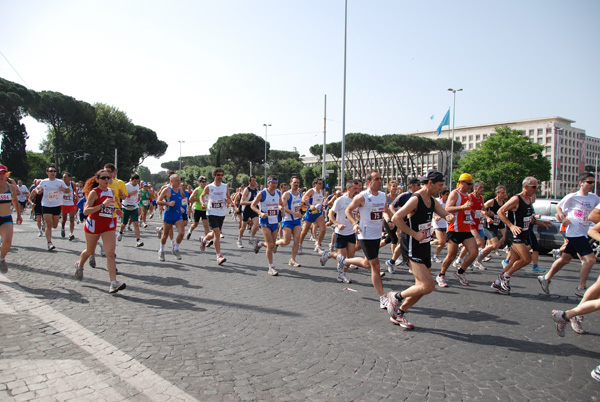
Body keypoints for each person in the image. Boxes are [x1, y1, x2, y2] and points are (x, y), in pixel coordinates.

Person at [387, 170, 454, 329]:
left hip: (424, 245)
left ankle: (399, 312)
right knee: (428, 285)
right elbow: (396, 218)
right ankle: (395, 297)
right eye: (439, 185)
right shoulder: (416, 199)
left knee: (421, 288)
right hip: (412, 246)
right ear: (430, 183)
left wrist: (449, 217)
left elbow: (444, 213)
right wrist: (414, 234)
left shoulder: (431, 199)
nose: (440, 189)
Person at [337, 170, 393, 309]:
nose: (380, 181)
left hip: (376, 235)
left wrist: (389, 221)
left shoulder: (382, 196)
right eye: (377, 179)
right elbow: (348, 211)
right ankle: (382, 297)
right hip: (365, 235)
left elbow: (384, 211)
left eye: (381, 178)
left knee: (368, 263)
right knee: (375, 265)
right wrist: (355, 224)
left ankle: (344, 260)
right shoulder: (362, 197)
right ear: (369, 182)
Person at [538, 172, 600, 297]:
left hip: (584, 231)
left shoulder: (594, 198)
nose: (592, 185)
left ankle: (545, 278)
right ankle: (581, 287)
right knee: (590, 259)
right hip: (574, 232)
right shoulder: (572, 196)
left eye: (593, 182)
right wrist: (562, 218)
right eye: (589, 182)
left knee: (565, 259)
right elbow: (558, 208)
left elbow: (596, 213)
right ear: (581, 183)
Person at [491, 176, 550, 294]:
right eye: (534, 187)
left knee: (514, 259)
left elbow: (527, 218)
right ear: (526, 186)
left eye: (537, 187)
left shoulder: (529, 200)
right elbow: (500, 212)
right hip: (514, 235)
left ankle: (498, 282)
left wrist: (539, 222)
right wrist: (511, 226)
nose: (536, 189)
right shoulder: (516, 199)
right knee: (527, 258)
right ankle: (506, 277)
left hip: (523, 234)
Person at [75, 169, 125, 293]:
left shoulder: (112, 192)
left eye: (108, 178)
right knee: (90, 250)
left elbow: (110, 207)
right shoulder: (94, 193)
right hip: (94, 225)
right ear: (97, 179)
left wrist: (116, 211)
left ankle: (113, 283)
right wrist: (102, 205)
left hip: (108, 224)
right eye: (103, 178)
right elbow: (86, 211)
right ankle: (80, 265)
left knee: (110, 253)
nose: (106, 180)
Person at [436, 173, 479, 287]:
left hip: (465, 229)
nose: (470, 186)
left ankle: (460, 272)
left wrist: (471, 211)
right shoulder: (455, 193)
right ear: (461, 182)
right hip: (454, 229)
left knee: (474, 252)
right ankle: (441, 275)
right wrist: (462, 207)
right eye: (468, 183)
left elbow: (468, 209)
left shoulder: (469, 196)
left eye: (471, 184)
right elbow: (447, 208)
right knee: (451, 256)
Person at [319, 179, 362, 284]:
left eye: (359, 188)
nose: (357, 191)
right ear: (348, 188)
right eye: (355, 189)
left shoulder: (358, 200)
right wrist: (337, 224)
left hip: (351, 232)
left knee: (350, 257)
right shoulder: (340, 200)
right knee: (341, 257)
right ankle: (341, 274)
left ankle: (329, 255)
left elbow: (357, 215)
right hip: (340, 233)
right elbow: (330, 214)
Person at [385, 178, 421, 273]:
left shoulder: (419, 196)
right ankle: (401, 262)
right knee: (400, 242)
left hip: (415, 224)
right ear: (412, 185)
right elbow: (391, 206)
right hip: (404, 223)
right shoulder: (404, 195)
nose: (420, 187)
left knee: (406, 244)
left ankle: (394, 262)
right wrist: (397, 216)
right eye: (418, 185)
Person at [34, 165, 71, 250]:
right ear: (47, 172)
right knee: (49, 224)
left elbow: (68, 190)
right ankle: (49, 242)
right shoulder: (44, 182)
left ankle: (46, 227)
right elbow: (37, 188)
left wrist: (63, 190)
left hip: (57, 205)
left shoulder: (60, 182)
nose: (53, 173)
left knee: (54, 225)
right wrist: (38, 191)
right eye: (51, 171)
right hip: (46, 205)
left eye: (54, 171)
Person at [251, 175, 282, 276]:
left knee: (272, 245)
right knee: (270, 245)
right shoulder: (262, 193)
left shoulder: (278, 192)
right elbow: (252, 205)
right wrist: (260, 213)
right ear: (268, 183)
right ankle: (271, 267)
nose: (274, 185)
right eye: (272, 183)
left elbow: (281, 204)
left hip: (275, 221)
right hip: (265, 222)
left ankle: (259, 244)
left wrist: (282, 209)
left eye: (276, 183)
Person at [453, 180, 487, 270]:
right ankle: (470, 261)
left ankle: (459, 260)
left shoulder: (481, 198)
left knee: (480, 242)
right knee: (478, 242)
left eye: (483, 187)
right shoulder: (470, 196)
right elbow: (465, 208)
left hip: (478, 222)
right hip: (470, 222)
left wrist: (487, 214)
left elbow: (483, 209)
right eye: (480, 187)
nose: (482, 189)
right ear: (475, 188)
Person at [199, 167, 231, 265]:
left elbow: (229, 197)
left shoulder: (225, 186)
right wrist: (202, 203)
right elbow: (202, 196)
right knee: (217, 233)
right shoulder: (209, 187)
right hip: (211, 212)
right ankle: (219, 256)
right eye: (218, 175)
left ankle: (204, 239)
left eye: (221, 175)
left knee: (214, 233)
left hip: (221, 212)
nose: (220, 177)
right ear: (214, 175)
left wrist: (228, 201)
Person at [276, 176, 304, 267]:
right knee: (286, 241)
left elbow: (299, 206)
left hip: (296, 221)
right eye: (295, 182)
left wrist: (300, 211)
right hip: (288, 220)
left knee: (297, 239)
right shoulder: (287, 194)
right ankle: (275, 243)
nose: (296, 184)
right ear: (291, 183)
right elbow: (283, 207)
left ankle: (292, 259)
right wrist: (293, 213)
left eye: (298, 182)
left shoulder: (300, 194)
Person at [157, 174, 186, 261]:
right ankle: (161, 251)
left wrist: (180, 207)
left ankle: (175, 248)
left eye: (179, 180)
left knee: (181, 232)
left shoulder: (180, 189)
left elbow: (180, 200)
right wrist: (167, 204)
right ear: (171, 181)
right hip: (169, 214)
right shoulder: (167, 190)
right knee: (165, 235)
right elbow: (158, 201)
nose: (179, 182)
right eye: (177, 181)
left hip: (177, 214)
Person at [0, 165, 23, 273]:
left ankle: (1, 258)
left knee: (7, 241)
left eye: (3, 173)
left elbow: (15, 201)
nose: (1, 175)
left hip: (6, 218)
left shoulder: (11, 187)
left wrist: (19, 215)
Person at [299, 177, 327, 254]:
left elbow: (319, 201)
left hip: (318, 212)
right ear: (315, 184)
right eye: (320, 183)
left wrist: (322, 205)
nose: (321, 185)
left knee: (323, 228)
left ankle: (318, 246)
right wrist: (310, 205)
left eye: (322, 183)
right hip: (311, 212)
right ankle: (299, 244)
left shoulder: (321, 191)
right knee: (305, 231)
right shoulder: (311, 191)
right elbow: (303, 199)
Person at [117, 173, 144, 247]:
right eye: (134, 181)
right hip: (126, 206)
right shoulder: (126, 186)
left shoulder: (138, 186)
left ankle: (138, 240)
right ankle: (120, 232)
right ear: (131, 180)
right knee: (124, 223)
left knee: (136, 223)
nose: (136, 183)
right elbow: (123, 196)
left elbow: (136, 195)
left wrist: (138, 198)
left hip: (134, 206)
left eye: (137, 181)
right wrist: (131, 193)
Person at [237, 176, 260, 248]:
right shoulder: (247, 190)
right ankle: (239, 239)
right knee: (243, 227)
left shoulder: (256, 190)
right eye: (252, 181)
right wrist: (251, 202)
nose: (254, 182)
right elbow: (241, 202)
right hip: (246, 209)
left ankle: (251, 238)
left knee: (257, 224)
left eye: (255, 181)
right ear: (249, 182)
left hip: (253, 209)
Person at [187, 176, 209, 240]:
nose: (204, 183)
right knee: (195, 224)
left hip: (205, 209)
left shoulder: (207, 189)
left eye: (205, 182)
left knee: (206, 224)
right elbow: (190, 198)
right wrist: (200, 200)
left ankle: (207, 239)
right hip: (197, 209)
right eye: (203, 182)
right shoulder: (197, 190)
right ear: (199, 183)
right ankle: (190, 230)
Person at [431, 188, 450, 263]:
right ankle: (435, 256)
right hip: (437, 224)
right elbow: (431, 210)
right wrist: (435, 217)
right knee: (441, 241)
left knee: (443, 242)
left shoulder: (448, 203)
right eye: (446, 194)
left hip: (445, 224)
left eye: (449, 195)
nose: (448, 196)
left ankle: (429, 244)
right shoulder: (437, 201)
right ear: (442, 195)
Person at [60, 172, 79, 241]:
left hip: (71, 204)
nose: (64, 178)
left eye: (65, 177)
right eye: (63, 177)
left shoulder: (72, 184)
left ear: (69, 178)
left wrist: (75, 194)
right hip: (63, 204)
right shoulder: (61, 184)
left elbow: (75, 191)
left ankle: (71, 233)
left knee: (71, 218)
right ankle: (62, 228)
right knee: (64, 219)